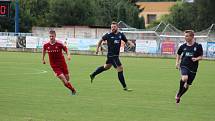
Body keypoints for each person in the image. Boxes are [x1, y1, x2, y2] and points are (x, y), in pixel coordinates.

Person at [90, 21, 135, 91]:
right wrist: (97, 49)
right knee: (120, 68)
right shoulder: (108, 35)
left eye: (114, 27)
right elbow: (100, 40)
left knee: (106, 67)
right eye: (111, 27)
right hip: (112, 56)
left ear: (117, 27)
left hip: (114, 56)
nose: (112, 28)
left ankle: (93, 74)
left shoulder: (120, 34)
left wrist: (130, 43)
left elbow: (126, 40)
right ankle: (125, 87)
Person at [42, 30, 76, 95]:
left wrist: (68, 55)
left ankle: (70, 87)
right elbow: (44, 51)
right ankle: (73, 90)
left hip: (62, 63)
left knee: (67, 78)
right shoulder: (46, 45)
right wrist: (43, 59)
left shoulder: (59, 43)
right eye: (50, 36)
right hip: (54, 66)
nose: (51, 37)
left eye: (52, 36)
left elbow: (66, 49)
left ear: (55, 36)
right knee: (63, 79)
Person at [175, 30, 203, 104]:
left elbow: (201, 57)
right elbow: (178, 54)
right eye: (185, 36)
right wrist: (177, 63)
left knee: (187, 85)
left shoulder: (198, 46)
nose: (185, 37)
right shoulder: (183, 46)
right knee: (184, 78)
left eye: (187, 36)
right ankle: (178, 92)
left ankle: (179, 95)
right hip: (184, 65)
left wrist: (196, 59)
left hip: (193, 68)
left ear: (192, 36)